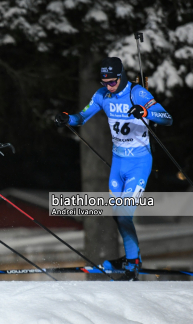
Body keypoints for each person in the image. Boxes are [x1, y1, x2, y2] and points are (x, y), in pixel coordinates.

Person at [55, 57, 173, 281]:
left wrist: (145, 112)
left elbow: (167, 118)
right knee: (118, 215)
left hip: (139, 163)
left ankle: (131, 262)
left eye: (112, 81)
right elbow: (81, 117)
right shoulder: (102, 95)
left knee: (125, 213)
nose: (108, 86)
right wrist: (67, 118)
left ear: (121, 77)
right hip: (118, 163)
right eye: (104, 82)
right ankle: (132, 258)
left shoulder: (136, 93)